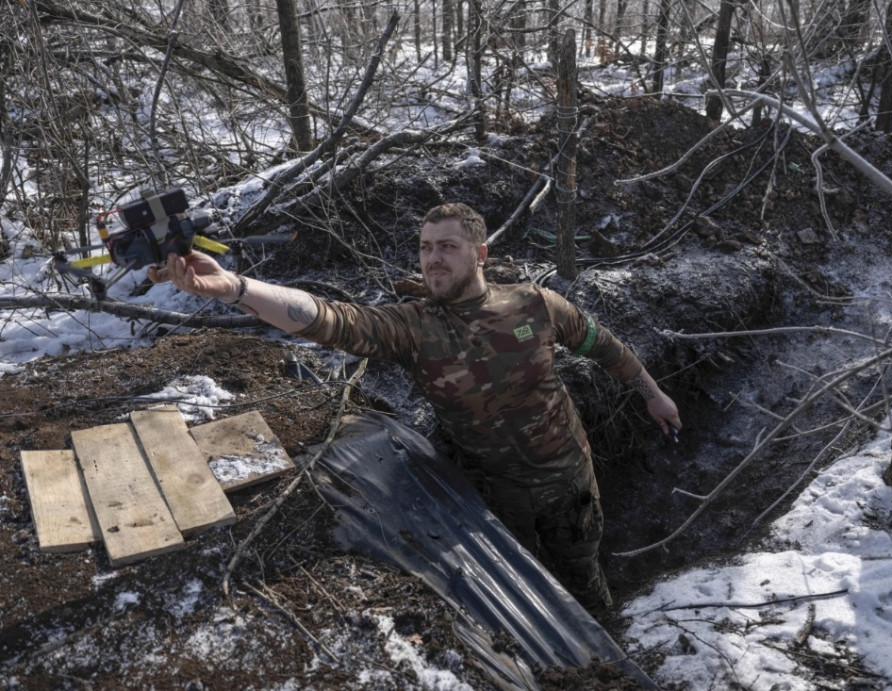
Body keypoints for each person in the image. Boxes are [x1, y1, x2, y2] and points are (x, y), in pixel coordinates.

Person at [150, 202, 681, 613]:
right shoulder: (413, 326)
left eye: (447, 246)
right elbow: (330, 319)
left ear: (480, 254)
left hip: (569, 480)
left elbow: (603, 345)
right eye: (425, 247)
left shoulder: (533, 304)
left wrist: (653, 394)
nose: (432, 258)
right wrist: (237, 288)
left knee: (585, 580)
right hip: (491, 501)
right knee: (524, 596)